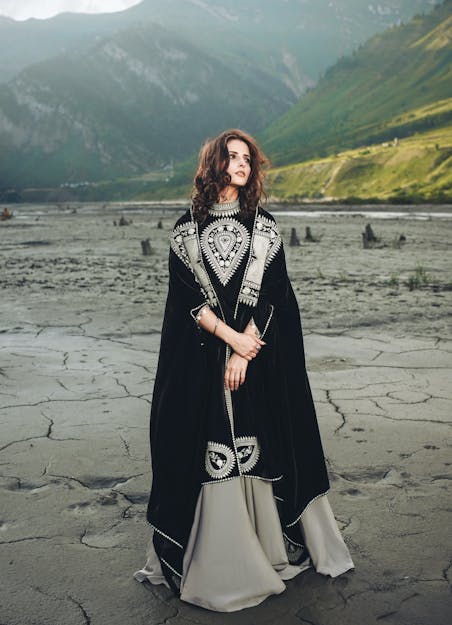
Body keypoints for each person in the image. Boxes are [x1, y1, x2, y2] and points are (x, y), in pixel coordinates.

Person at [134, 129, 354, 612]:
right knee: (207, 438)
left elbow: (274, 294)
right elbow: (187, 302)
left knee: (263, 437)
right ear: (213, 164)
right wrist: (228, 339)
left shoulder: (266, 228)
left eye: (247, 159)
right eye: (231, 157)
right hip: (201, 358)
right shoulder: (185, 231)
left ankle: (272, 546)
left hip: (258, 358)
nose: (240, 165)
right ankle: (220, 557)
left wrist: (242, 352)